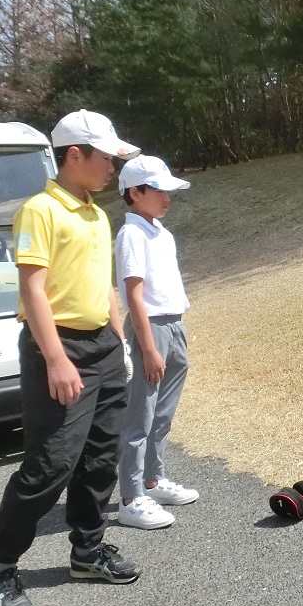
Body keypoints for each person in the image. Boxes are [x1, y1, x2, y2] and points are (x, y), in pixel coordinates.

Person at [0, 109, 144, 606]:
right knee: (51, 464)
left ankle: (87, 551)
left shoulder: (96, 214)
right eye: (106, 157)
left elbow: (103, 285)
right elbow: (32, 288)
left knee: (101, 457)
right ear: (74, 155)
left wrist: (119, 341)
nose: (113, 167)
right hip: (60, 346)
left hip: (103, 347)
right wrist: (56, 359)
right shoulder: (40, 210)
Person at [114, 155, 198, 530]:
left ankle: (153, 479)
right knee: (141, 415)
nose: (167, 198)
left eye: (169, 191)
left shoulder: (160, 232)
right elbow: (133, 295)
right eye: (159, 190)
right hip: (149, 329)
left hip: (173, 324)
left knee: (162, 412)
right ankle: (131, 497)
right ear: (135, 192)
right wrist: (148, 348)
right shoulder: (130, 234)